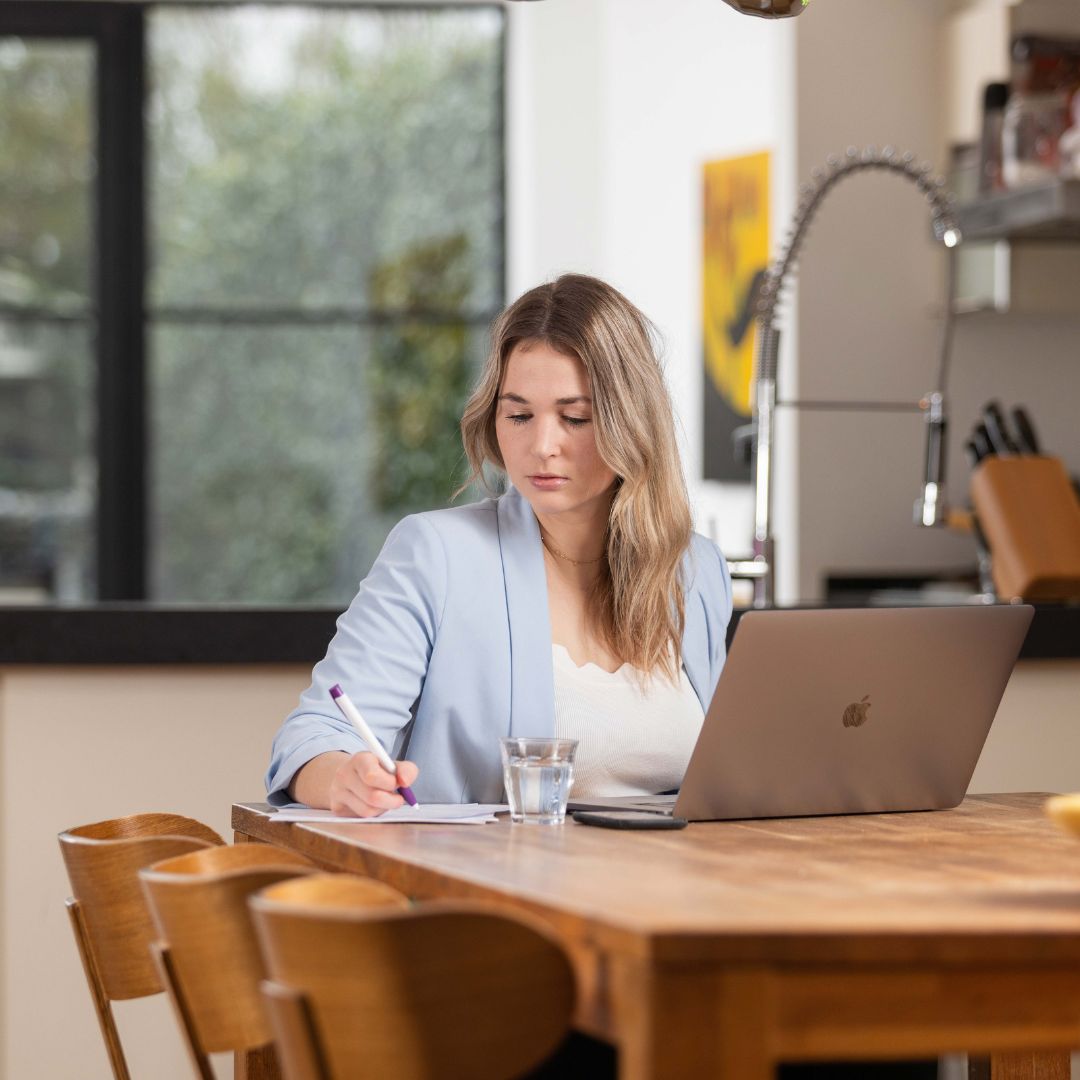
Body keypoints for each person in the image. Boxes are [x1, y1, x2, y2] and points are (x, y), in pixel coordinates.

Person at [265, 272, 733, 815]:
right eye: (519, 415)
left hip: (672, 887)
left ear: (632, 423)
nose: (542, 445)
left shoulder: (694, 570)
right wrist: (342, 778)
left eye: (574, 417)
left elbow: (722, 778)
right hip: (499, 885)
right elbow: (313, 735)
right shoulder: (437, 555)